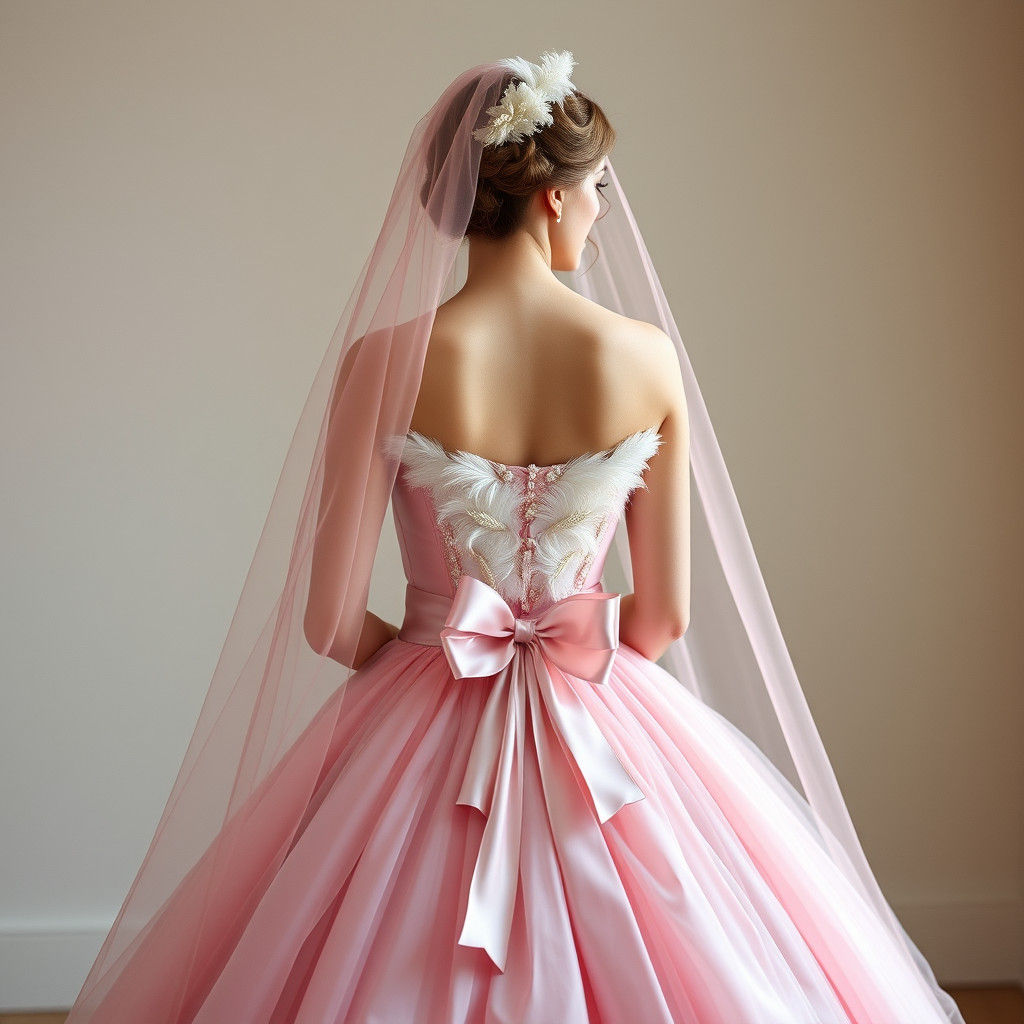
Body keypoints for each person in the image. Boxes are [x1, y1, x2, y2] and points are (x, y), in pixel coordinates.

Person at [64, 50, 965, 1023]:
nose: (602, 211)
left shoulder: (384, 360)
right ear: (548, 197)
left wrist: (422, 664)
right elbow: (661, 619)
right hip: (603, 709)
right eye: (598, 188)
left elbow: (327, 621)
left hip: (427, 695)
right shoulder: (642, 357)